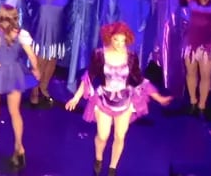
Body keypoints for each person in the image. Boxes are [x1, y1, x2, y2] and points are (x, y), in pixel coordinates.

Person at [65, 22, 172, 176]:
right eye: (116, 40)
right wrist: (76, 98)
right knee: (102, 136)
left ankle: (112, 168)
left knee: (120, 136)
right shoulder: (99, 55)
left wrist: (159, 98)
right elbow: (89, 77)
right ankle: (98, 158)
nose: (120, 44)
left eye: (123, 40)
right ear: (110, 38)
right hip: (104, 100)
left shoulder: (131, 57)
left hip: (125, 101)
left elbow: (140, 80)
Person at [0, 0, 39, 169]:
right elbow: (32, 56)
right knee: (15, 112)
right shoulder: (21, 34)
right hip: (16, 72)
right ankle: (19, 146)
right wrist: (36, 70)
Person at [17, 0, 81, 107]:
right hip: (40, 35)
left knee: (51, 64)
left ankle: (43, 87)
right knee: (38, 64)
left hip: (57, 36)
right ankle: (34, 92)